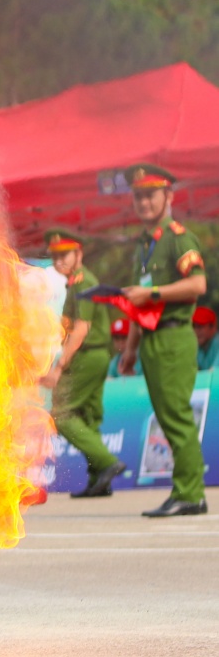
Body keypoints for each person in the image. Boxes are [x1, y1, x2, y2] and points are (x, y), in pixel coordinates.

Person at [115, 164, 208, 517]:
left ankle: (189, 493)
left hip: (173, 337)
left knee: (176, 416)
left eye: (151, 194)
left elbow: (197, 285)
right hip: (152, 340)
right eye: (138, 196)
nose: (144, 201)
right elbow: (139, 304)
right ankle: (187, 490)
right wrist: (130, 350)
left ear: (169, 196)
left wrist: (153, 292)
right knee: (167, 418)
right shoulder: (144, 244)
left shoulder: (178, 237)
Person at [38, 231, 124, 498]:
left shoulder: (83, 282)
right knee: (87, 417)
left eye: (64, 254)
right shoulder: (76, 282)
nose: (58, 260)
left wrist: (59, 367)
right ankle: (100, 479)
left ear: (79, 253)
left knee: (62, 416)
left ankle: (108, 463)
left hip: (86, 355)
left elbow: (81, 330)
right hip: (93, 354)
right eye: (54, 255)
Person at [195, 306, 219, 372]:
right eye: (194, 326)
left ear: (213, 327)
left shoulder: (217, 342)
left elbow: (213, 373)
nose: (196, 331)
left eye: (200, 326)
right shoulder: (196, 345)